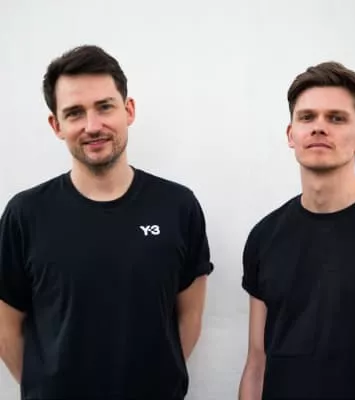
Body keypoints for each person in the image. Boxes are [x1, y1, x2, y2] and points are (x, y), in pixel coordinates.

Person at [0, 45, 213, 400]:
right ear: (56, 125)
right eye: (74, 113)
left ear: (128, 110)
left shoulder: (178, 206)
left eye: (104, 107)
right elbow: (6, 327)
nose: (92, 126)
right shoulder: (25, 215)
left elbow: (188, 319)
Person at [239, 61, 355, 399]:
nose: (319, 128)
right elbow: (257, 363)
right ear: (291, 134)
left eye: (336, 118)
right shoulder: (265, 236)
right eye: (307, 117)